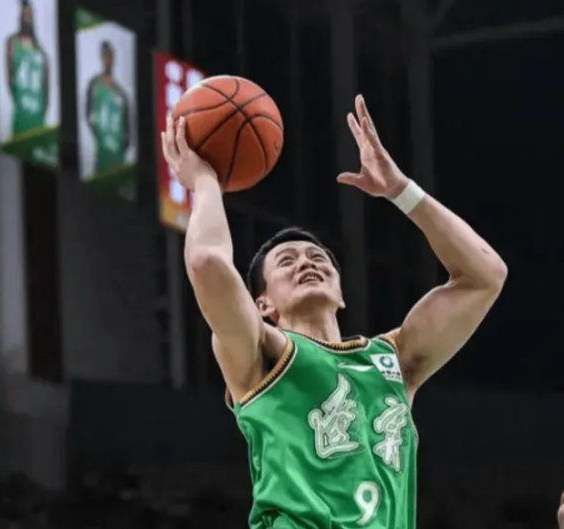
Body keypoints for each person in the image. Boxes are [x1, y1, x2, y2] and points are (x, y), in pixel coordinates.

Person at [160, 94, 507, 529]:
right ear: (262, 304)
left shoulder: (393, 360)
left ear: (341, 293)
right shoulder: (260, 353)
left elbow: (485, 276)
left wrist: (401, 191)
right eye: (286, 261)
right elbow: (207, 262)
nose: (306, 262)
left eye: (318, 257)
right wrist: (206, 181)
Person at [86, 41, 131, 175]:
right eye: (105, 56)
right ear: (102, 57)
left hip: (118, 154)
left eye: (110, 56)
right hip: (102, 150)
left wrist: (123, 143)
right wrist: (99, 134)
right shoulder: (94, 84)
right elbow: (88, 114)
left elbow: (127, 125)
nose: (108, 60)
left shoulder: (120, 93)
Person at [5, 0, 49, 137]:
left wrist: (41, 110)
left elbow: (46, 87)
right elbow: (10, 76)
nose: (26, 18)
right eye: (24, 14)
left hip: (38, 119)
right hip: (20, 115)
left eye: (29, 15)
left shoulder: (41, 52)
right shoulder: (12, 42)